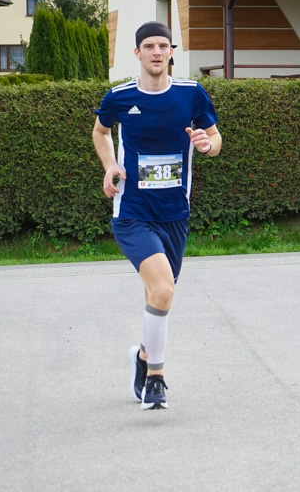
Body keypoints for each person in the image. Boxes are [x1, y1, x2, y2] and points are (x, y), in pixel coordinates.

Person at [92, 21, 221, 410]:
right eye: (149, 45)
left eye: (163, 46)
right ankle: (156, 379)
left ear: (170, 52)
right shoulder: (119, 97)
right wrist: (111, 165)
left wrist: (206, 144)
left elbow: (215, 139)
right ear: (137, 53)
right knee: (163, 289)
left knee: (159, 295)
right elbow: (100, 132)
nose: (156, 52)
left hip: (175, 214)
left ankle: (143, 356)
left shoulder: (191, 94)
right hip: (132, 212)